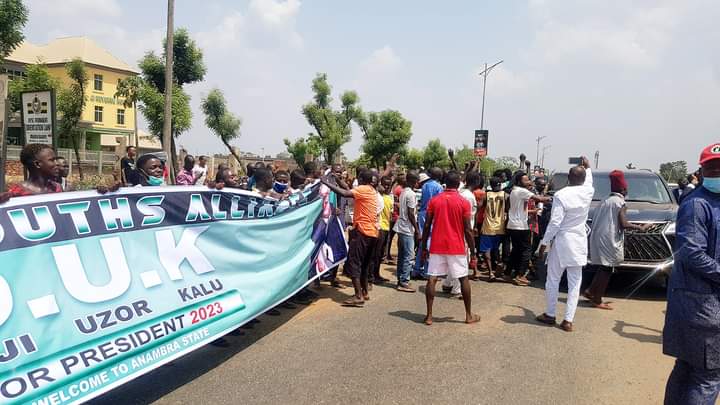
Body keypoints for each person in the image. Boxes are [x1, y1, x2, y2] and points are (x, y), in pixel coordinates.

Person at [663, 143, 720, 404]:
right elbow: (691, 253)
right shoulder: (697, 204)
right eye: (712, 168)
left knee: (687, 369)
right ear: (702, 171)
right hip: (703, 307)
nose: (716, 173)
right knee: (708, 375)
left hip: (698, 304)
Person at [536, 157, 594, 332]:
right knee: (575, 283)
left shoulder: (561, 195)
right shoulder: (588, 191)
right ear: (583, 179)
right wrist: (588, 167)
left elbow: (555, 223)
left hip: (562, 241)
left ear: (568, 178)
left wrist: (544, 243)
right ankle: (568, 320)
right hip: (579, 242)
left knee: (553, 279)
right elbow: (588, 180)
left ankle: (550, 314)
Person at [421, 170, 480, 325]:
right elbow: (468, 230)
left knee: (432, 278)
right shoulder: (463, 202)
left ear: (445, 183)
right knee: (463, 278)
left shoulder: (434, 200)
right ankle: (468, 315)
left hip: (437, 244)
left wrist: (423, 247)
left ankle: (429, 316)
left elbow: (427, 225)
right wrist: (473, 252)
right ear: (459, 183)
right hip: (456, 246)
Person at [585, 170, 650, 310]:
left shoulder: (605, 200)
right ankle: (597, 299)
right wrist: (641, 227)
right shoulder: (620, 203)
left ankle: (591, 291)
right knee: (607, 268)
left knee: (603, 266)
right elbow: (624, 224)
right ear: (623, 189)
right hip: (609, 238)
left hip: (598, 237)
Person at [321, 169, 378, 307]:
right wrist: (337, 179)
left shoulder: (363, 189)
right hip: (372, 232)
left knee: (354, 263)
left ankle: (358, 296)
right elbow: (348, 188)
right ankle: (364, 292)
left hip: (362, 232)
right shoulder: (371, 190)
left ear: (361, 179)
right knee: (364, 264)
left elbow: (345, 193)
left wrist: (326, 183)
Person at [506, 172, 551, 286]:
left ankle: (507, 272)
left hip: (512, 224)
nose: (528, 182)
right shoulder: (522, 191)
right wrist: (551, 198)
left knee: (516, 249)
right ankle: (520, 275)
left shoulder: (514, 190)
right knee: (527, 251)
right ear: (519, 181)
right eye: (526, 180)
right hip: (521, 226)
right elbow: (539, 198)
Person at [443, 171, 480, 296]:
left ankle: (447, 283)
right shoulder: (468, 196)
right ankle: (457, 288)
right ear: (477, 182)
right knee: (462, 260)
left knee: (454, 258)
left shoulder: (462, 192)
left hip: (457, 230)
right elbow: (466, 217)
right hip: (463, 231)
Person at [413, 167, 444, 279]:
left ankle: (417, 268)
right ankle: (427, 270)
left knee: (423, 241)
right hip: (432, 214)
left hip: (423, 213)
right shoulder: (438, 187)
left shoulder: (425, 185)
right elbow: (439, 203)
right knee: (430, 242)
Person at [477, 177, 508, 281]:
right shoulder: (505, 195)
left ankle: (491, 272)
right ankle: (499, 264)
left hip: (487, 227)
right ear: (499, 184)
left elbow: (478, 208)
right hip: (500, 227)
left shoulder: (486, 195)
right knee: (496, 249)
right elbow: (508, 210)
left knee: (487, 250)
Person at [394, 172, 420, 292]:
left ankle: (400, 279)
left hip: (401, 226)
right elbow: (411, 213)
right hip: (407, 228)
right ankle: (404, 281)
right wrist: (417, 230)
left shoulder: (404, 191)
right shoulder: (411, 194)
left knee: (402, 255)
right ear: (414, 181)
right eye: (417, 180)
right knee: (409, 256)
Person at [369, 176, 394, 284]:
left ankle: (376, 274)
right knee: (375, 254)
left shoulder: (389, 197)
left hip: (386, 227)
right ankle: (371, 276)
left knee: (380, 254)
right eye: (385, 185)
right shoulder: (377, 197)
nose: (386, 187)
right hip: (379, 228)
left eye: (389, 185)